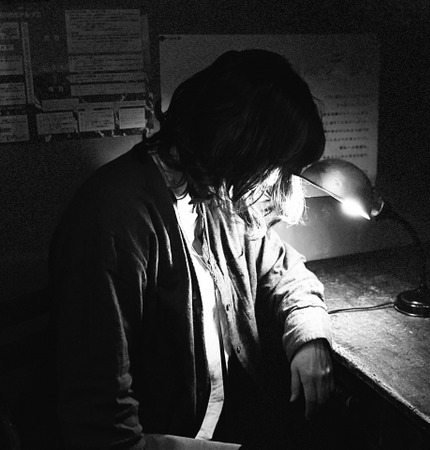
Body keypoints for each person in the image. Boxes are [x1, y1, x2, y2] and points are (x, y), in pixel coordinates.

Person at [41, 49, 334, 449]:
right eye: (269, 166)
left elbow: (284, 269)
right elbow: (102, 428)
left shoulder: (214, 194)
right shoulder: (113, 224)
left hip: (230, 424)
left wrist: (310, 337)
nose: (269, 183)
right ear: (236, 147)